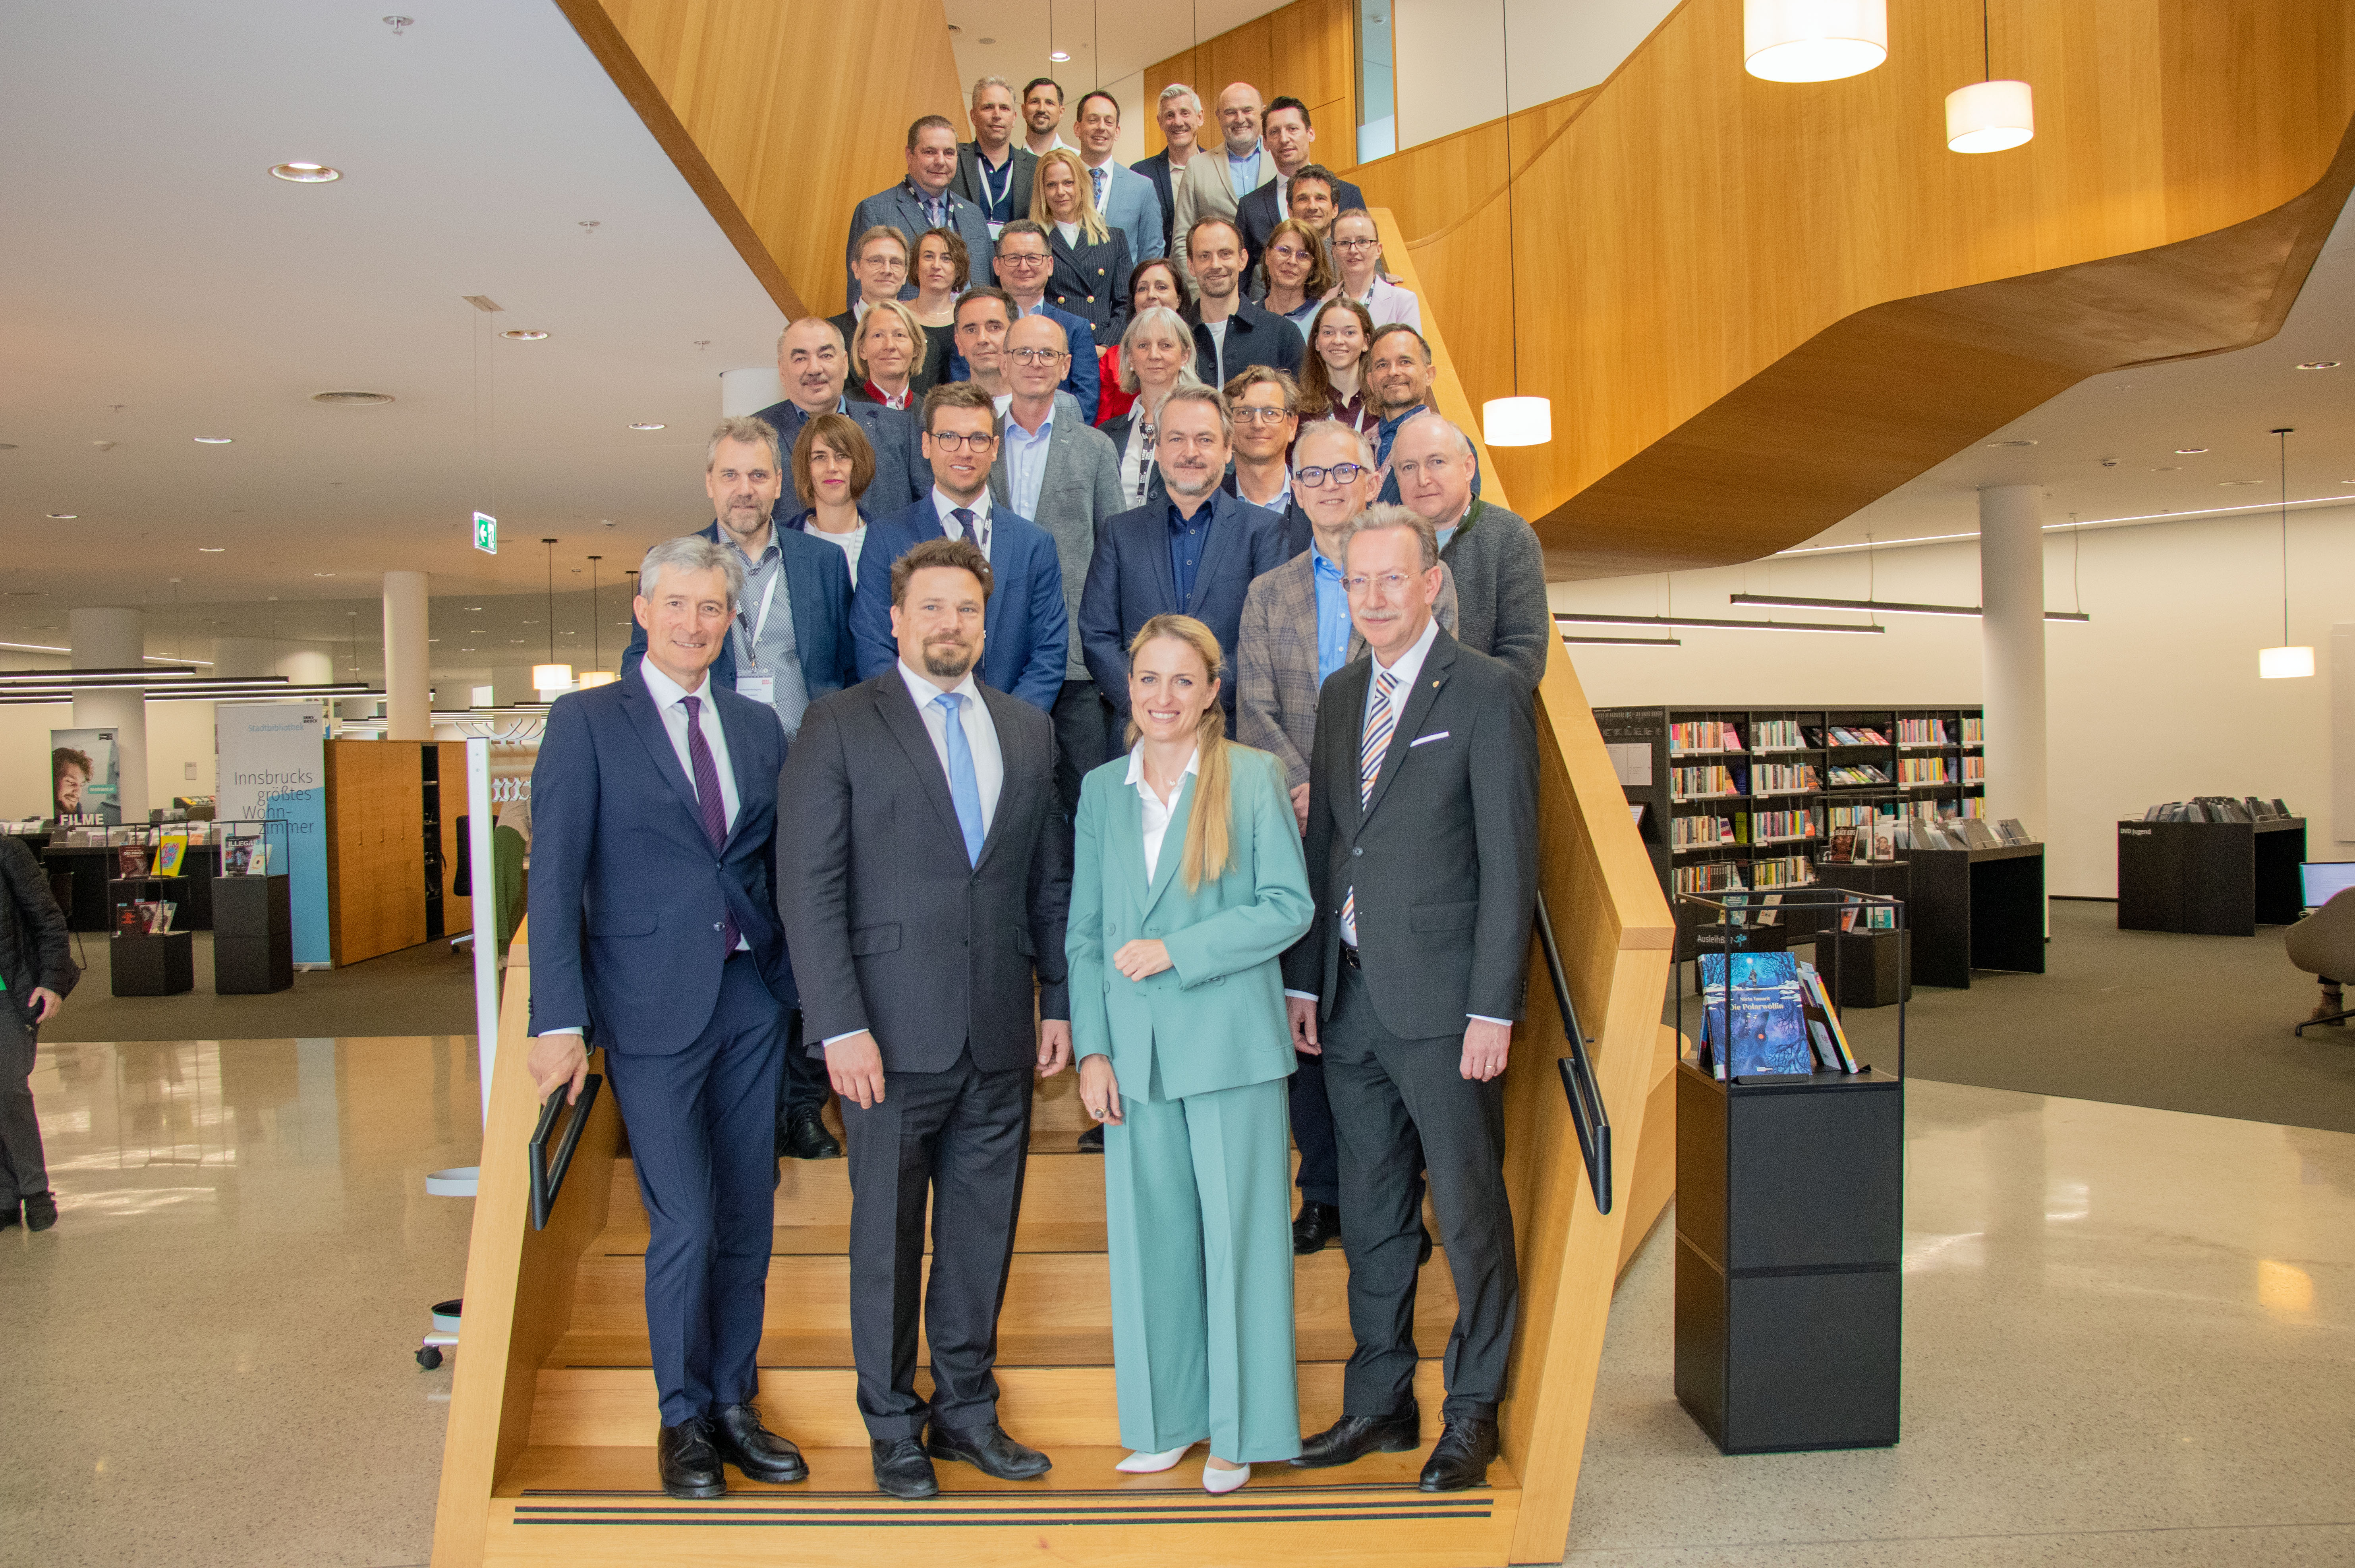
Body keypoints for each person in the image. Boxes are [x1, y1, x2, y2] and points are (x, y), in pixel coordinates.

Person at [778, 534, 1072, 1502]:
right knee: (889, 1241)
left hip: (999, 1031)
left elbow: (1047, 885)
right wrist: (837, 1024)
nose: (951, 625)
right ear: (896, 620)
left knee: (983, 1234)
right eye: (932, 609)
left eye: (967, 611)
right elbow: (809, 886)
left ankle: (966, 1413)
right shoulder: (839, 723)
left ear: (986, 626)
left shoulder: (1027, 729)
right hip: (885, 1040)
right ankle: (893, 1425)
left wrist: (1059, 1004)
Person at [529, 534, 808, 1500]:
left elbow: (773, 864)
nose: (696, 624)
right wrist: (557, 1017)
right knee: (684, 1218)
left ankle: (735, 1401)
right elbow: (556, 876)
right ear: (643, 612)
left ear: (731, 621)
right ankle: (681, 1417)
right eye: (678, 605)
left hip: (749, 998)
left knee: (746, 1217)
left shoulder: (758, 726)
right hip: (646, 1007)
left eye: (713, 609)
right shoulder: (587, 723)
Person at [1282, 505, 1537, 1495]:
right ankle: (1380, 1401)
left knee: (1470, 1216)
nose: (1377, 598)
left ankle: (1472, 1410)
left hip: (1445, 1012)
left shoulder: (1488, 691)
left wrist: (1492, 1009)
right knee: (1376, 1214)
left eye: (1395, 579)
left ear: (1433, 584)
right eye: (1360, 582)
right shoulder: (1343, 695)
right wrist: (1307, 976)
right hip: (1347, 1004)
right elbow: (1329, 846)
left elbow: (1512, 865)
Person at [1066, 614, 1313, 1494]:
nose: (1162, 698)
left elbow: (1290, 906)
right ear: (1125, 688)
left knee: (1242, 1244)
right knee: (1152, 1245)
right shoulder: (1102, 789)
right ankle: (1168, 1421)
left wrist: (1180, 950)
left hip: (1231, 1049)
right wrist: (1091, 1051)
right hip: (1134, 1056)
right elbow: (1086, 935)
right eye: (1147, 680)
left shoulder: (1251, 778)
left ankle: (1243, 1431)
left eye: (1182, 681)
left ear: (1213, 691)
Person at [1234, 424, 1459, 1252]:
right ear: (1293, 487)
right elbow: (1251, 707)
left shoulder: (1424, 582)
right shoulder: (1269, 593)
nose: (1329, 483)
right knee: (1311, 1017)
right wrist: (1308, 787)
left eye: (1346, 469)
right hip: (1295, 834)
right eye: (1312, 472)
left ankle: (1400, 1195)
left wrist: (1354, 797)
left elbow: (1442, 697)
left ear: (1373, 480)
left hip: (1398, 840)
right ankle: (1323, 1190)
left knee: (1389, 1016)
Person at [620, 417, 860, 1163]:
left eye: (758, 475)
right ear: (709, 483)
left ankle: (798, 1106)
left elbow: (845, 665)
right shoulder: (679, 568)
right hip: (722, 788)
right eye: (730, 475)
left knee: (805, 937)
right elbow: (642, 668)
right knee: (745, 936)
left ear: (777, 483)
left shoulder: (820, 562)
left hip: (810, 777)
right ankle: (737, 1099)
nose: (745, 489)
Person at [1080, 385, 1288, 738]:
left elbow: (1266, 639)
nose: (1190, 452)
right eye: (1176, 439)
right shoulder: (1119, 533)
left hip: (1230, 737)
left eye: (1204, 440)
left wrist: (1201, 704)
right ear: (1158, 450)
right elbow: (1097, 637)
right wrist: (1152, 705)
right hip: (1139, 736)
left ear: (1227, 450)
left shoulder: (1264, 532)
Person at [852, 382, 1068, 714]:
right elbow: (873, 644)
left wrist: (1010, 727)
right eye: (948, 437)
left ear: (995, 447)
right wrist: (923, 720)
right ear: (926, 445)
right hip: (914, 731)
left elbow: (1048, 653)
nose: (964, 451)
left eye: (978, 439)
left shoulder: (1034, 545)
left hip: (1009, 730)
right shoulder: (886, 538)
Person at [989, 313, 1126, 826]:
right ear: (1003, 362)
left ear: (1067, 366)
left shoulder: (1094, 448)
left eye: (1047, 354)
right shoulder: (978, 444)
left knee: (1082, 803)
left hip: (1071, 657)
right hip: (993, 652)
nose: (1034, 364)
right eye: (1022, 353)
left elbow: (1112, 550)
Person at [1389, 417, 1552, 689]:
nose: (1422, 479)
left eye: (1436, 462)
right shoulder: (1381, 543)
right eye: (1408, 467)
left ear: (1468, 468)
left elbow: (1526, 656)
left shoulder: (1510, 536)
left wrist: (1455, 703)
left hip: (1473, 721)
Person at [753, 318, 927, 515]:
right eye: (800, 359)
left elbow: (926, 512)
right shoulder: (755, 435)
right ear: (782, 370)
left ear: (845, 364)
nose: (814, 369)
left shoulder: (900, 427)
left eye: (826, 356)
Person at [844, 116, 994, 309]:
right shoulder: (875, 210)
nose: (941, 162)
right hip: (908, 333)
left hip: (970, 332)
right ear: (909, 154)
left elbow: (987, 286)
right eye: (930, 152)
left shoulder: (974, 215)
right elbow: (861, 297)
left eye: (949, 153)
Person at [0, 833, 71, 1234]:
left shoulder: (8, 851)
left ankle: (35, 1190)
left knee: (9, 1087)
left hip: (9, 995)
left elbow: (48, 919)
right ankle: (5, 1196)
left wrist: (53, 981)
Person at [983, 220, 1102, 421]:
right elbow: (964, 387)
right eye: (1013, 258)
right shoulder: (979, 326)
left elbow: (1086, 402)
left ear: (1050, 265)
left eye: (1033, 258)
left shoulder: (1075, 329)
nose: (1024, 267)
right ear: (997, 266)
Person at [1236, 102, 1366, 268]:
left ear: (1310, 133)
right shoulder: (1250, 207)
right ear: (1266, 143)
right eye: (1275, 132)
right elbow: (1243, 278)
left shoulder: (1349, 194)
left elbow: (1366, 255)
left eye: (1293, 129)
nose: (1284, 139)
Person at [1100, 306, 1205, 510]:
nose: (1154, 355)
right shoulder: (1107, 434)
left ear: (1184, 356)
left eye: (1166, 345)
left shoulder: (1206, 424)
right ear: (1130, 358)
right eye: (1143, 346)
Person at [1186, 216, 1304, 387]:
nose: (1216, 265)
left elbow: (1303, 408)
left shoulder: (1283, 334)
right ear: (1191, 265)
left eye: (1225, 254)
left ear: (1242, 260)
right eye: (1204, 256)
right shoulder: (1176, 337)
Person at [1035, 148, 1133, 343]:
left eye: (1068, 183)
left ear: (1081, 185)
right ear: (1042, 191)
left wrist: (1106, 345)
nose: (1060, 192)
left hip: (1102, 347)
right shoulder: (1035, 241)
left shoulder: (1113, 238)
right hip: (1055, 348)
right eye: (1051, 185)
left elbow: (1126, 303)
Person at [1224, 366, 1312, 555]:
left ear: (1292, 426)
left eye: (1271, 413)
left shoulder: (1318, 497)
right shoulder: (1207, 504)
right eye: (1244, 413)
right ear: (1227, 428)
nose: (1258, 424)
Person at [1070, 89, 1166, 261]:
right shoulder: (1059, 183)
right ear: (1077, 128)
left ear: (1117, 132)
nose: (1101, 127)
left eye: (1109, 122)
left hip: (1123, 287)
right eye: (1093, 120)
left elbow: (1152, 254)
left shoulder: (1142, 187)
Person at [1097, 259, 1192, 429]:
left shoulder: (1193, 348)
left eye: (1161, 287)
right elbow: (1104, 430)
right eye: (1142, 289)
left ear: (1179, 299)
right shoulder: (1113, 360)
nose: (1151, 295)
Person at [784, 411, 876, 583]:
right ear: (806, 468)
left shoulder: (886, 541)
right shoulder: (782, 542)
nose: (832, 467)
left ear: (860, 463)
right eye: (819, 457)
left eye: (842, 456)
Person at [1174, 82, 1272, 244]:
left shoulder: (1281, 160)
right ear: (1218, 116)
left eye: (1247, 110)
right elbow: (1182, 238)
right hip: (1217, 267)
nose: (1240, 119)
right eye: (1230, 113)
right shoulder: (1197, 167)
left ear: (1262, 113)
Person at [954, 76, 1036, 239]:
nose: (997, 115)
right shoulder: (953, 158)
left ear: (1014, 118)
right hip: (966, 261)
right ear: (973, 116)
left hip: (1018, 263)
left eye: (1004, 108)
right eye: (988, 107)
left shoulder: (1037, 167)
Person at [1132, 83, 1204, 252]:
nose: (1178, 122)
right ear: (1160, 122)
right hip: (1162, 273)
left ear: (1200, 118)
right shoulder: (1141, 175)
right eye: (1170, 115)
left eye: (1185, 113)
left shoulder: (1218, 168)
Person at [1324, 209, 1421, 332]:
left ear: (1378, 250)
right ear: (1334, 252)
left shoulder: (1403, 302)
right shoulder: (1323, 302)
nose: (1353, 250)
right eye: (1344, 243)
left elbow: (1409, 351)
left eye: (1363, 242)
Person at [1298, 297, 1378, 432]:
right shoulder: (1299, 408)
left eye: (1350, 333)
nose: (1338, 341)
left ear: (1366, 342)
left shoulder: (1384, 402)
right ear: (1317, 342)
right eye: (1328, 333)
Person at [847, 299, 937, 410]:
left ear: (917, 348)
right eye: (878, 336)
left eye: (899, 335)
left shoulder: (930, 413)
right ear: (862, 350)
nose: (889, 346)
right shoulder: (844, 409)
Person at [1253, 217, 1335, 340]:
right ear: (1268, 256)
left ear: (1313, 267)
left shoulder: (1327, 318)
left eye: (1303, 256)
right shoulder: (1246, 316)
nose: (1292, 261)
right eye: (1284, 251)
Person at [832, 225, 912, 348]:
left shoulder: (920, 336)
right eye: (876, 261)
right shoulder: (829, 334)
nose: (887, 270)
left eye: (896, 263)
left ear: (906, 274)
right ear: (856, 269)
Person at [910, 228, 970, 384]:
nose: (936, 265)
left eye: (946, 258)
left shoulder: (968, 319)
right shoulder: (899, 317)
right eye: (929, 256)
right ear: (916, 267)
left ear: (958, 270)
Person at [951, 286, 1017, 403]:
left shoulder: (1047, 404)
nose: (982, 339)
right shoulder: (946, 410)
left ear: (1016, 336)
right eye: (971, 330)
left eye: (994, 327)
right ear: (959, 343)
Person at [1277, 164, 1347, 241]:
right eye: (1303, 199)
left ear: (1335, 210)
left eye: (1320, 198)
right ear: (1290, 211)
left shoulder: (1350, 252)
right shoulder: (1278, 252)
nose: (1312, 207)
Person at [1021, 76, 1071, 156]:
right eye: (1035, 102)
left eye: (1049, 103)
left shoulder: (1079, 163)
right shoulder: (1010, 163)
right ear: (1023, 110)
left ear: (1061, 112)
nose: (1042, 109)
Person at [50, 747, 95, 822]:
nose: (77, 793)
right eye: (71, 782)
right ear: (52, 779)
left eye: (81, 785)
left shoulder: (77, 808)